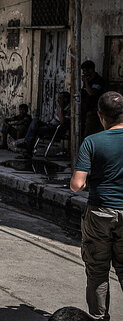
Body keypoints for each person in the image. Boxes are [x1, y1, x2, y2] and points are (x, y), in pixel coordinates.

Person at [70, 91, 123, 320]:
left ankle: (100, 317)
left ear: (101, 116)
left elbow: (77, 184)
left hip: (100, 213)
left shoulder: (92, 141)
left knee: (98, 272)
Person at [19, 91, 71, 158]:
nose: (58, 100)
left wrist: (60, 109)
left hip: (55, 129)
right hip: (49, 125)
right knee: (35, 120)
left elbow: (62, 123)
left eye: (60, 98)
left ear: (65, 99)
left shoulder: (69, 110)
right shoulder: (60, 108)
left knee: (34, 130)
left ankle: (27, 147)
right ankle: (27, 143)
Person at [80, 60, 106, 137]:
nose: (84, 73)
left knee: (89, 132)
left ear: (91, 70)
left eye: (85, 71)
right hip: (85, 108)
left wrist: (86, 82)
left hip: (94, 110)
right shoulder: (88, 80)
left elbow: (91, 93)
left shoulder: (98, 80)